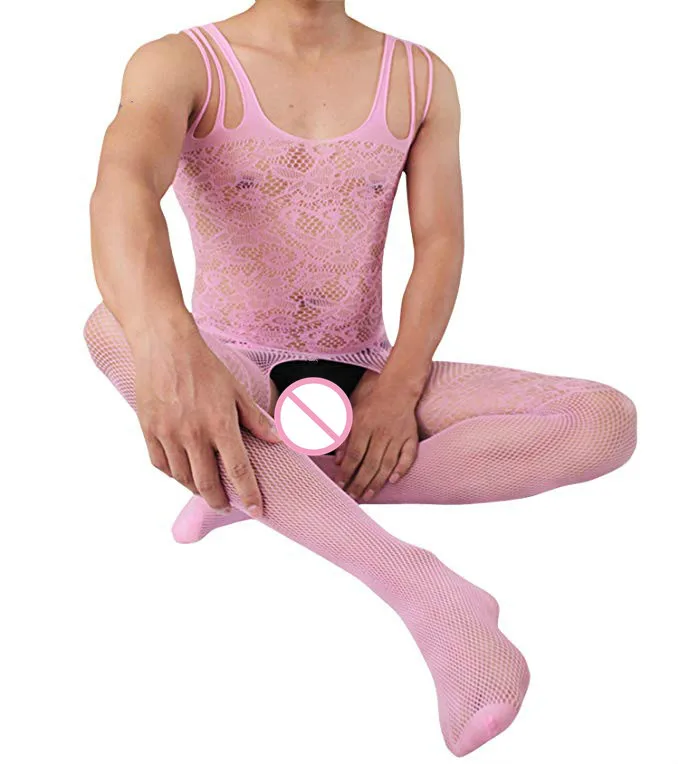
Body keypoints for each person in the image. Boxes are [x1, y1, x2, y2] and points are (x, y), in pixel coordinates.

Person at [84, 0, 637, 755]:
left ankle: (269, 488)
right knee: (111, 325)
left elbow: (439, 241)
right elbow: (121, 188)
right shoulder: (177, 62)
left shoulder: (422, 76)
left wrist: (399, 386)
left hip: (367, 369)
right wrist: (169, 343)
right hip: (234, 371)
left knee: (604, 422)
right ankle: (429, 593)